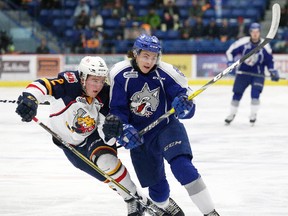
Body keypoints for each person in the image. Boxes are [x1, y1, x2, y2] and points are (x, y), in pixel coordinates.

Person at [15, 56, 150, 216]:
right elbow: (43, 85)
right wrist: (30, 98)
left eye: (101, 80)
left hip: (93, 136)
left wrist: (112, 130)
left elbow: (109, 134)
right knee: (106, 176)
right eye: (94, 80)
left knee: (106, 161)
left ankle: (134, 199)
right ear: (83, 78)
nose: (98, 85)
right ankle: (135, 198)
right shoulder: (69, 83)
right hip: (69, 144)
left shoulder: (105, 94)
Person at [106, 34, 220, 216]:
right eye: (145, 56)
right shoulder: (120, 73)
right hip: (140, 138)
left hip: (167, 128)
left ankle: (210, 213)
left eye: (153, 57)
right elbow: (117, 110)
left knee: (183, 167)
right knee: (158, 194)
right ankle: (165, 204)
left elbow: (187, 103)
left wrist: (185, 106)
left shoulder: (167, 73)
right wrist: (124, 129)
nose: (150, 61)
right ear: (135, 54)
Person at [224, 22, 280, 125]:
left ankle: (253, 115)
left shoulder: (265, 45)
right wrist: (230, 62)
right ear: (250, 32)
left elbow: (269, 60)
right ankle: (232, 114)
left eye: (257, 32)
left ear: (259, 32)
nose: (255, 34)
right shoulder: (243, 42)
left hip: (258, 75)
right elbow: (229, 52)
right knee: (237, 94)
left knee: (255, 95)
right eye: (253, 32)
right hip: (243, 74)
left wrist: (272, 70)